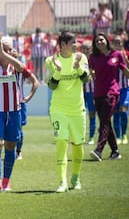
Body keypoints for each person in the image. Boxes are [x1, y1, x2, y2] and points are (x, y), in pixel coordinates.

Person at [0, 36, 33, 192]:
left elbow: (21, 67)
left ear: (12, 50)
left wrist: (5, 54)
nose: (4, 51)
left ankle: (6, 181)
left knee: (11, 145)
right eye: (2, 48)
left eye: (8, 48)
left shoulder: (16, 66)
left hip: (13, 112)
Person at [45, 31, 90, 192]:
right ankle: (62, 182)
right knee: (61, 143)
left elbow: (86, 79)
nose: (76, 45)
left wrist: (77, 68)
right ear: (63, 45)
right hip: (58, 109)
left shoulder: (81, 58)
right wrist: (57, 70)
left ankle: (75, 178)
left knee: (78, 144)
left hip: (77, 110)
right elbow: (51, 85)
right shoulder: (50, 60)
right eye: (73, 42)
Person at [88, 33, 129, 162]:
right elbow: (90, 72)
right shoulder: (93, 57)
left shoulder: (116, 55)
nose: (99, 42)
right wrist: (92, 73)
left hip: (112, 92)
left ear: (107, 40)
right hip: (98, 94)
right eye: (97, 41)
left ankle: (98, 150)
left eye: (101, 40)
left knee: (104, 122)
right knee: (106, 123)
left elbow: (125, 71)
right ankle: (115, 151)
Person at [15, 48, 39, 160]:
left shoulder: (22, 70)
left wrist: (29, 96)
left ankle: (18, 151)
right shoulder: (1, 69)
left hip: (19, 103)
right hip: (5, 104)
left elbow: (35, 82)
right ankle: (10, 150)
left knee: (19, 129)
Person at [111, 35, 129, 145]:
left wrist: (124, 57)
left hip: (126, 87)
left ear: (122, 43)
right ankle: (118, 137)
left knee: (123, 110)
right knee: (115, 112)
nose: (117, 44)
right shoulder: (111, 56)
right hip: (114, 88)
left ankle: (124, 134)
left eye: (119, 42)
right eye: (115, 42)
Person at [81, 40, 97, 145]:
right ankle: (80, 136)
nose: (86, 50)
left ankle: (91, 137)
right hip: (80, 92)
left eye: (88, 48)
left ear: (91, 49)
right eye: (84, 48)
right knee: (79, 114)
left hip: (92, 91)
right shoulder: (78, 60)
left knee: (92, 113)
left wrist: (93, 74)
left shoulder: (95, 59)